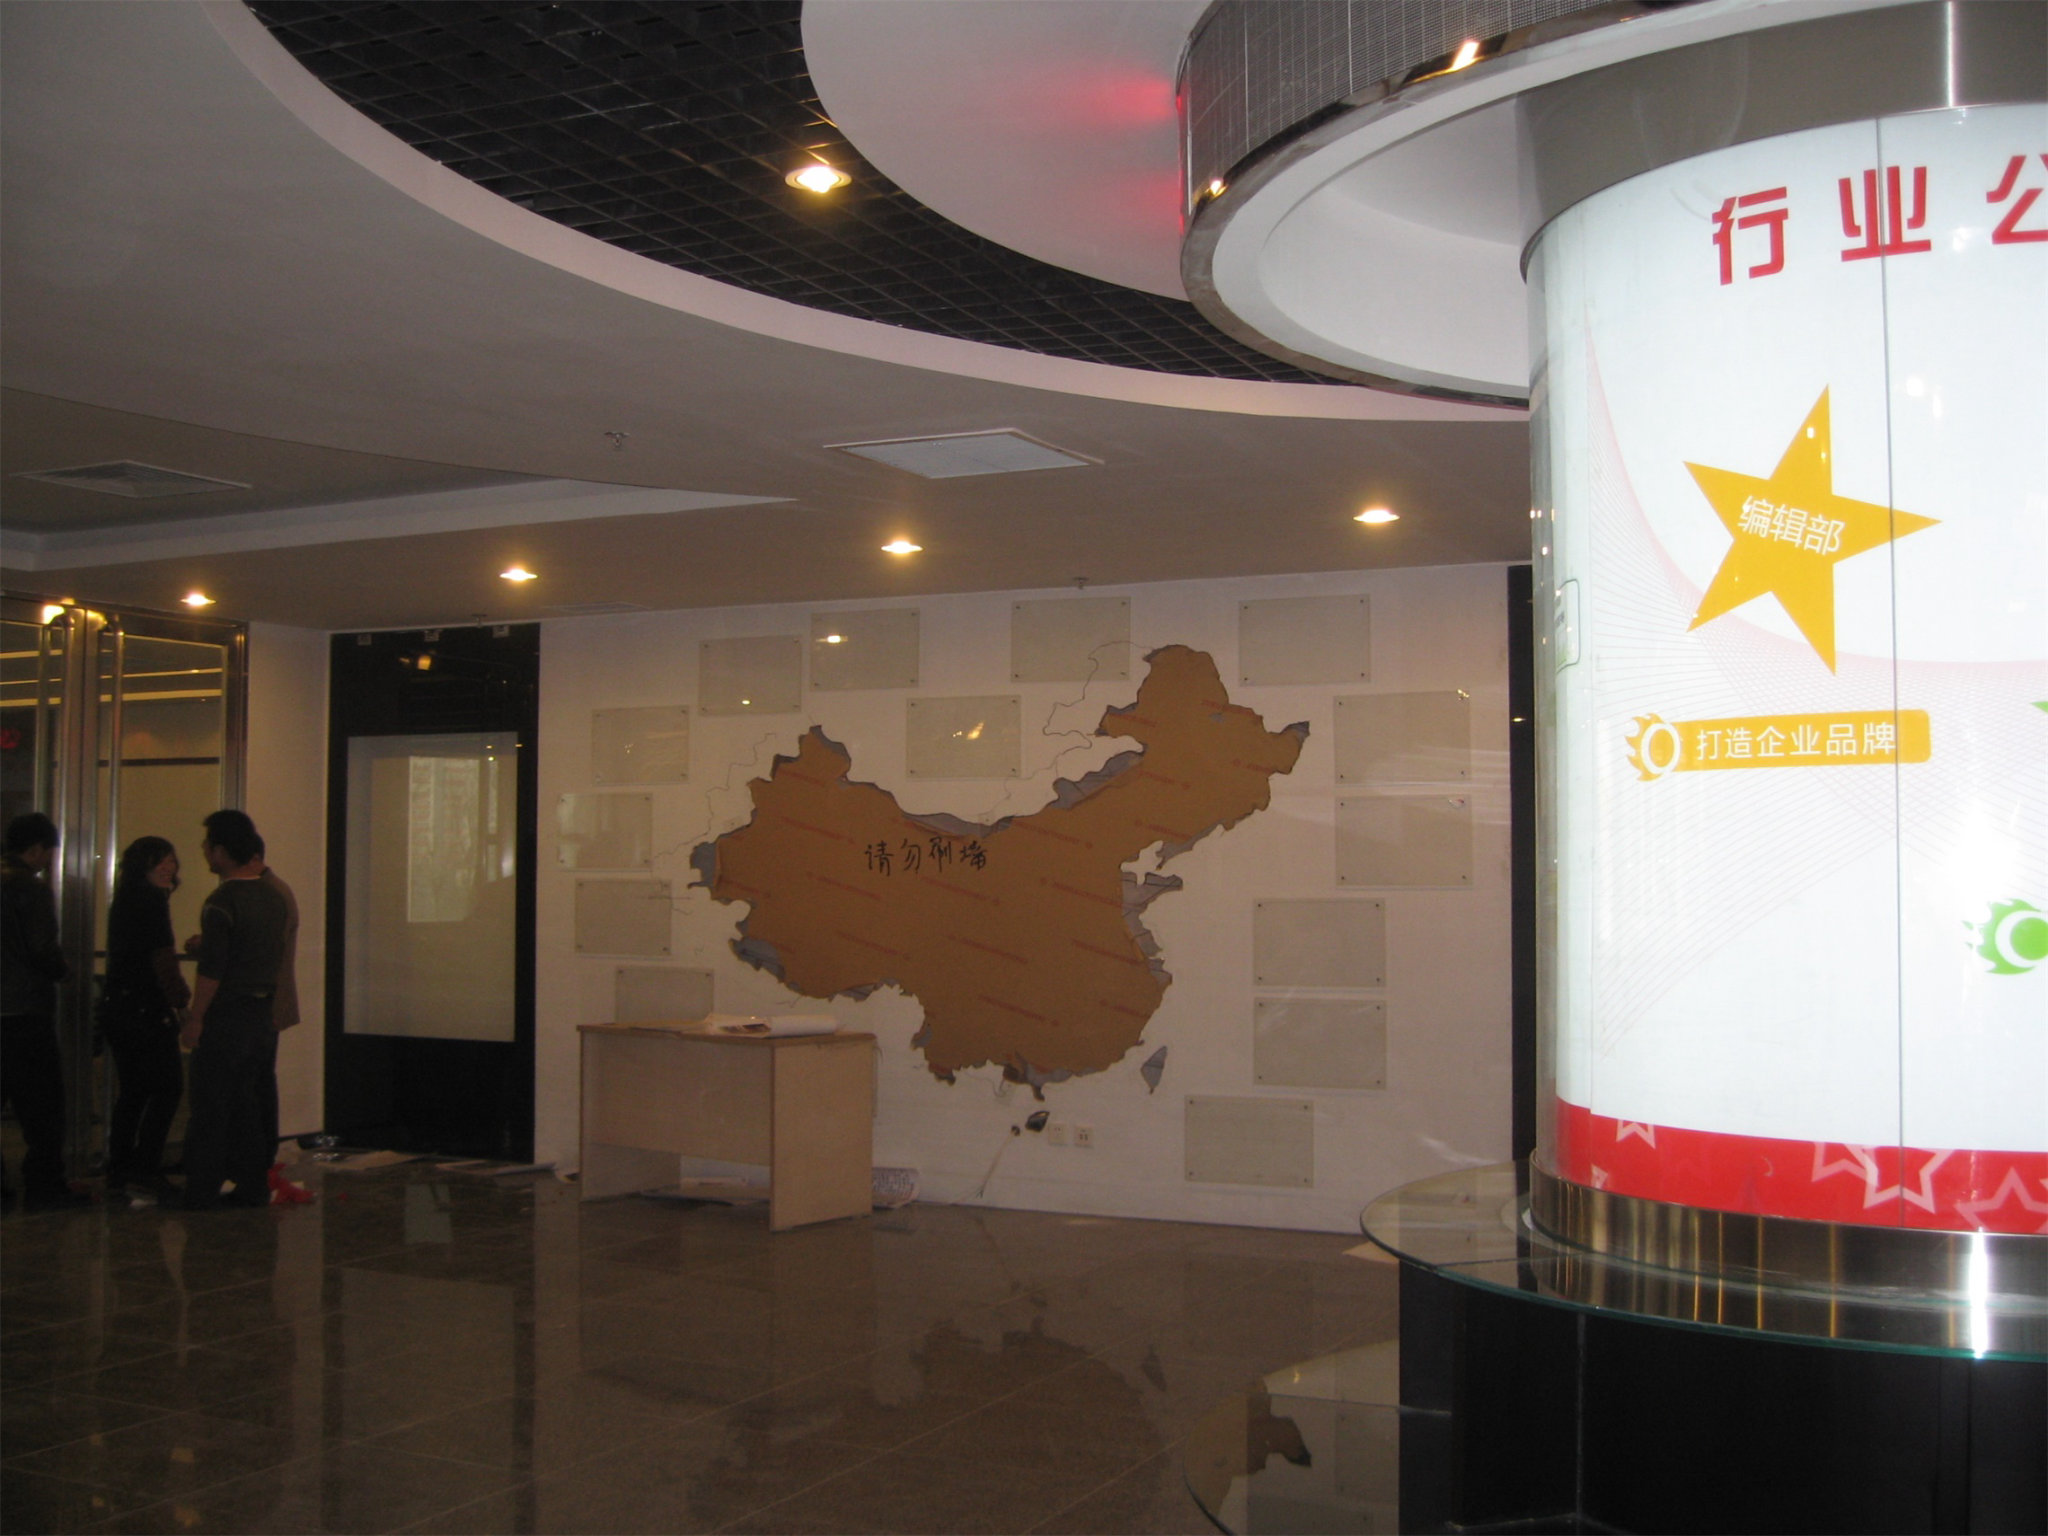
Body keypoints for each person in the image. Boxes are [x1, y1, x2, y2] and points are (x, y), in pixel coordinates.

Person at [179, 812, 289, 1209]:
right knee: (246, 1104)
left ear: (222, 852)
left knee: (211, 1105)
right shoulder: (273, 897)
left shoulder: (222, 901)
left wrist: (196, 1017)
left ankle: (202, 1189)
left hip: (227, 1014)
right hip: (261, 1013)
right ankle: (252, 1184)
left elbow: (213, 969)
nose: (204, 852)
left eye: (208, 846)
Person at [1, 811, 87, 1209]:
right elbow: (41, 948)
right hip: (24, 1011)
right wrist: (65, 972)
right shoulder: (29, 889)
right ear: (36, 849)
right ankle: (43, 1185)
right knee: (41, 1107)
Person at [101, 836, 191, 1201]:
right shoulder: (151, 901)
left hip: (119, 1007)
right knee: (168, 1087)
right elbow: (162, 959)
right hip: (145, 1010)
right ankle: (145, 1165)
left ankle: (120, 1166)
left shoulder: (124, 899)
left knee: (134, 1091)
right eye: (160, 861)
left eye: (171, 860)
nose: (168, 867)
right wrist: (181, 1003)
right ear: (143, 866)